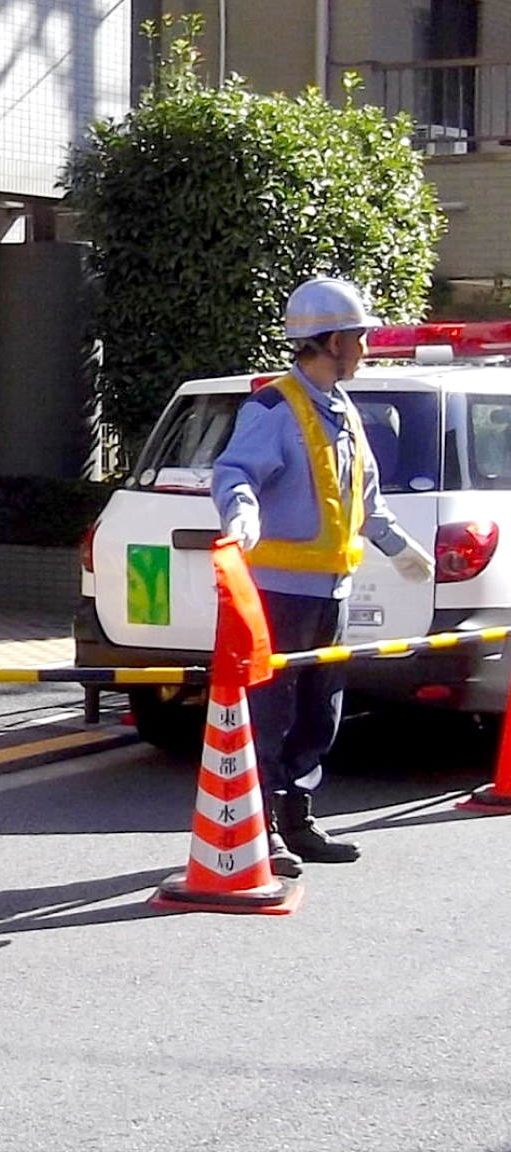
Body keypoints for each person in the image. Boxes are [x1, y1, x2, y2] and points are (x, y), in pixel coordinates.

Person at [211, 276, 436, 877]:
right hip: (278, 593)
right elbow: (235, 473)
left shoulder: (344, 412)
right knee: (270, 713)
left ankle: (298, 819)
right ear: (333, 341)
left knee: (320, 713)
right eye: (360, 337)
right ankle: (261, 829)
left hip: (331, 592)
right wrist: (241, 513)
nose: (366, 348)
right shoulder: (272, 408)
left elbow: (367, 502)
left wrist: (400, 549)